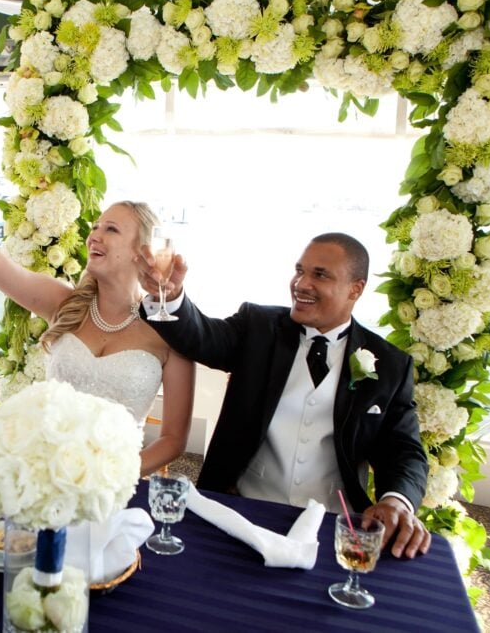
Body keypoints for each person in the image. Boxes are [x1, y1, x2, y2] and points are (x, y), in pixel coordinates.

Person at [140, 233, 431, 558]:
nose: (301, 283)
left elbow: (404, 451)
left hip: (332, 526)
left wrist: (395, 500)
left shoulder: (390, 364)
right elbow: (202, 338)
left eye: (319, 274)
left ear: (356, 288)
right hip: (240, 510)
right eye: (299, 270)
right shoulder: (258, 326)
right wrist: (170, 295)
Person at [0, 138, 195, 476]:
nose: (94, 236)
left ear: (143, 251)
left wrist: (111, 477)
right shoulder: (63, 303)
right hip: (43, 471)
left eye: (111, 229)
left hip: (116, 484)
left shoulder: (172, 330)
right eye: (94, 227)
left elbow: (174, 438)